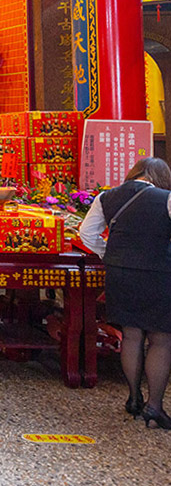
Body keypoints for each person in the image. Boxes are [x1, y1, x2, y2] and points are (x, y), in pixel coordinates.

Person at [79, 156, 171, 429]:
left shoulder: (107, 198)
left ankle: (133, 397)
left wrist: (111, 255)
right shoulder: (166, 198)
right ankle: (154, 406)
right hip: (159, 274)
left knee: (131, 334)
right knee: (161, 339)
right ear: (160, 178)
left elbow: (87, 235)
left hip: (120, 274)